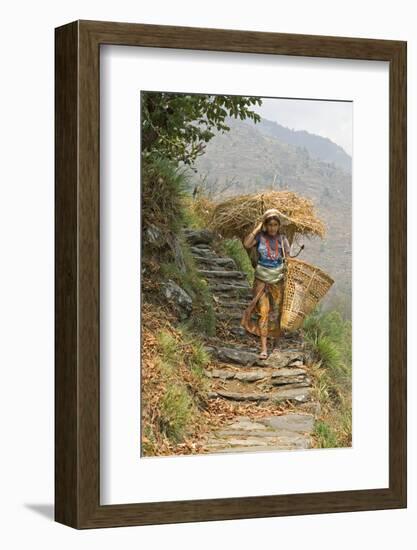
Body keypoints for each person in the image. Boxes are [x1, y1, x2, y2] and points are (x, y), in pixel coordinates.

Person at [240, 208, 291, 359]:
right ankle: (263, 348)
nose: (272, 228)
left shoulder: (283, 240)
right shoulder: (260, 238)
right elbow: (247, 244)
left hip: (277, 281)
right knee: (263, 312)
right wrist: (257, 228)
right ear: (265, 225)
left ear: (279, 225)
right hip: (261, 281)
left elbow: (288, 261)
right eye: (269, 224)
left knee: (277, 313)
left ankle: (276, 344)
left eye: (275, 224)